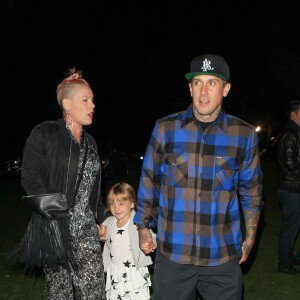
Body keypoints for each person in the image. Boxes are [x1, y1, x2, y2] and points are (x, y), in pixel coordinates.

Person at [133, 54, 263, 300]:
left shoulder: (243, 134)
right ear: (189, 88)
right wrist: (142, 227)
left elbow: (252, 191)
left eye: (212, 83)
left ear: (225, 89)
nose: (203, 91)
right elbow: (149, 181)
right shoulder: (165, 129)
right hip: (174, 254)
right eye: (197, 83)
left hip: (222, 256)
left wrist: (250, 239)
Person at [21, 68, 106, 299]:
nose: (92, 106)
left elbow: (94, 187)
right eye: (86, 100)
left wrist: (101, 217)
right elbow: (29, 175)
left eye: (93, 100)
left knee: (94, 291)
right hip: (56, 229)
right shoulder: (44, 132)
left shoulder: (91, 143)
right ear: (67, 104)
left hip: (86, 230)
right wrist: (53, 214)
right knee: (60, 293)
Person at [100, 182, 155, 300]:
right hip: (116, 273)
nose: (116, 208)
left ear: (132, 204)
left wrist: (150, 244)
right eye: (112, 204)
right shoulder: (110, 221)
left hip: (134, 272)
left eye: (121, 204)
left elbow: (151, 236)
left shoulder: (138, 222)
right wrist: (101, 233)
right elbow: (103, 234)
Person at [276, 99, 300, 276]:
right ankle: (284, 265)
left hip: (293, 188)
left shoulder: (294, 132)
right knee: (290, 228)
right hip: (291, 190)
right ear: (295, 113)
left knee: (293, 226)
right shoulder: (291, 133)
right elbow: (292, 165)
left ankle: (291, 259)